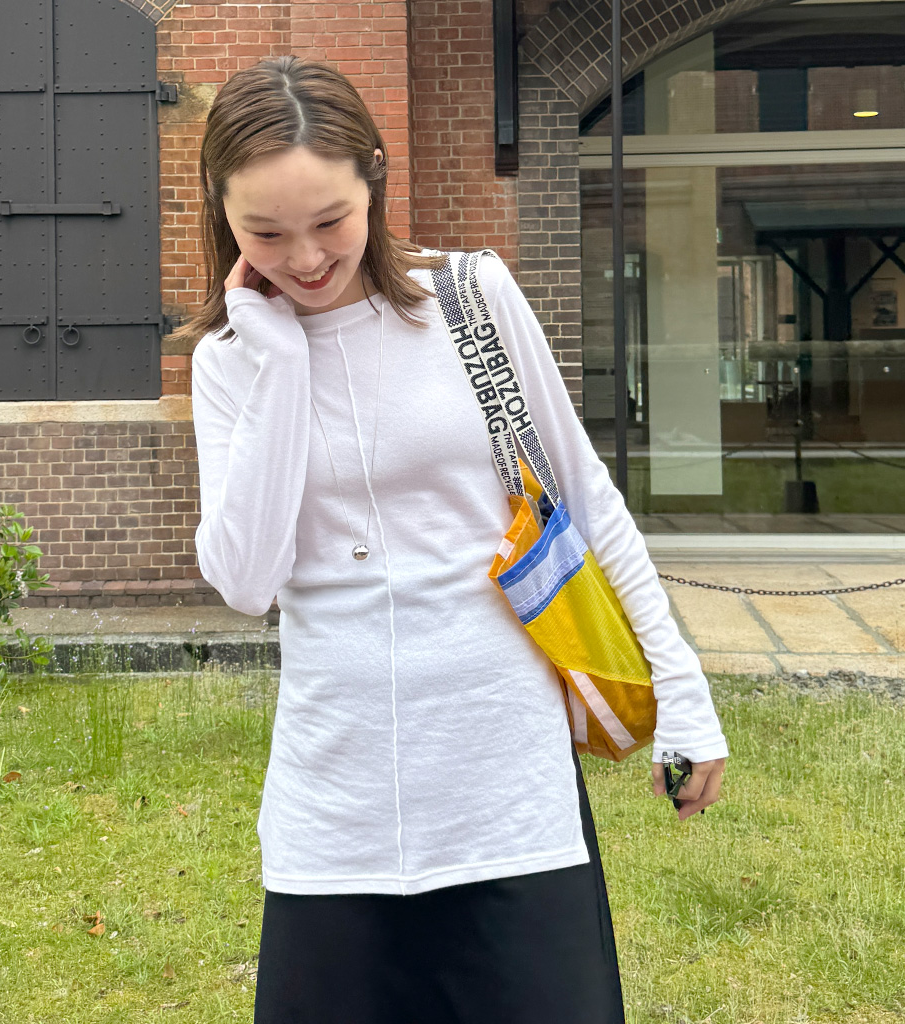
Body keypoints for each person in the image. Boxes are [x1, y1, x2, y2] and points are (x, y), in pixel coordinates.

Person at [185, 54, 728, 1024]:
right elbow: (246, 579)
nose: (304, 259)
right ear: (221, 215)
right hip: (335, 796)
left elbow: (584, 496)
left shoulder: (469, 299)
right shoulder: (231, 360)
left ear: (376, 180)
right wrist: (277, 365)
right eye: (265, 233)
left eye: (329, 221)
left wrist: (682, 691)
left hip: (503, 780)